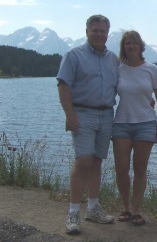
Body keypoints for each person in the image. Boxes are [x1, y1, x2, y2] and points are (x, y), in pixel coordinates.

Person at [57, 14, 118, 235]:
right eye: (95, 30)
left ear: (107, 33)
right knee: (83, 161)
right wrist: (69, 115)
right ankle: (73, 211)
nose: (99, 34)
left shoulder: (113, 59)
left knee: (96, 161)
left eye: (103, 31)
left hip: (106, 114)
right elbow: (63, 86)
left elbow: (124, 84)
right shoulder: (74, 55)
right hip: (83, 113)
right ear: (86, 31)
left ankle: (92, 208)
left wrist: (146, 98)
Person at [112, 30, 157, 226]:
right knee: (121, 169)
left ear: (141, 46)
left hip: (145, 124)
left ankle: (136, 210)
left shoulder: (152, 69)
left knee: (140, 168)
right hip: (122, 124)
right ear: (123, 47)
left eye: (134, 43)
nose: (131, 46)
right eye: (127, 43)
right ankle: (126, 207)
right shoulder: (118, 68)